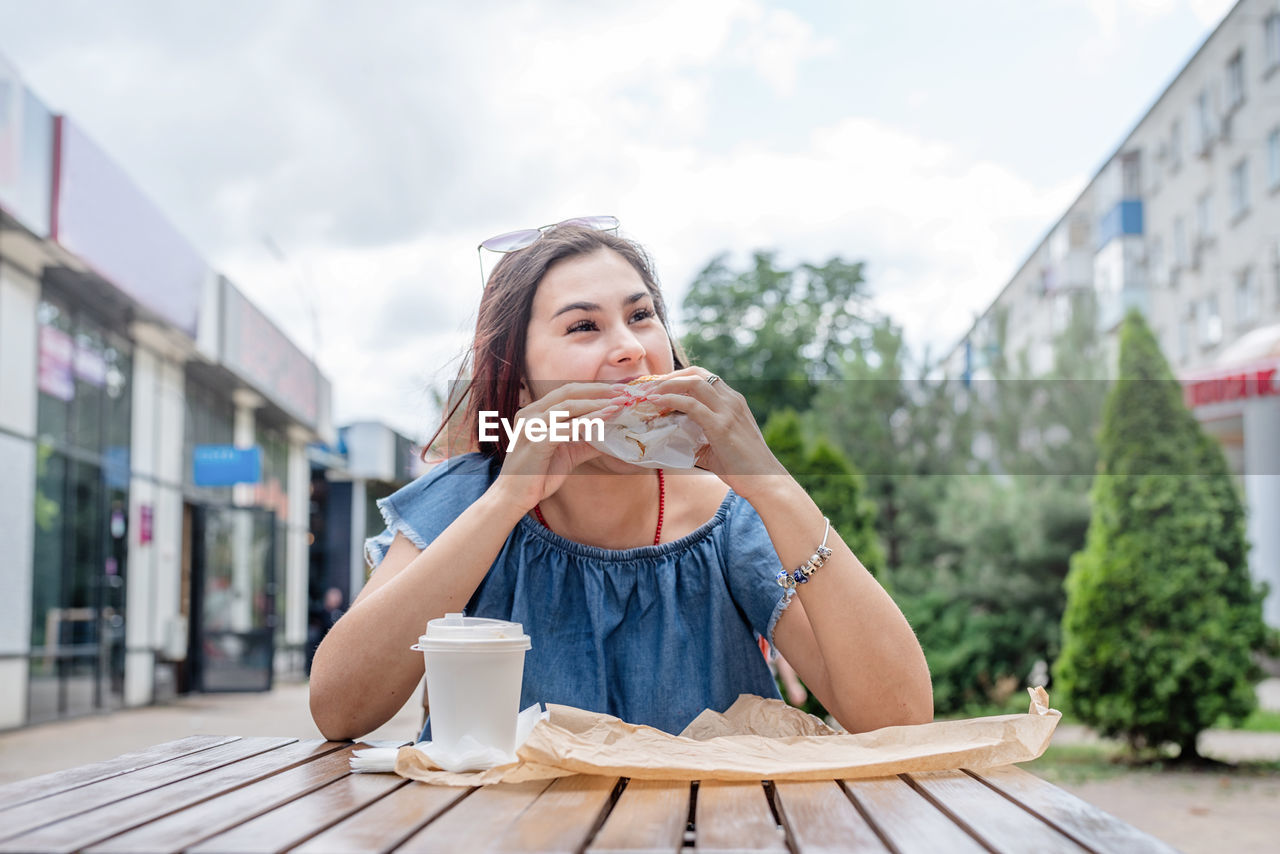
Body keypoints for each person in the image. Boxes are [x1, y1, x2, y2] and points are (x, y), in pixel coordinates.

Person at [309, 219, 932, 741]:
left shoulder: (732, 517)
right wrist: (507, 500)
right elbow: (341, 711)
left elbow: (899, 718)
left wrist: (768, 482)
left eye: (642, 316)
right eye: (584, 326)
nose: (631, 348)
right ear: (521, 381)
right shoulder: (466, 497)